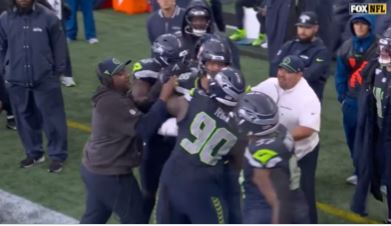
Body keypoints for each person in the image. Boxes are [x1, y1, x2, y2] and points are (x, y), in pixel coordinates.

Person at [153, 67, 245, 223]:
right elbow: (238, 163)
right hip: (203, 186)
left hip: (172, 177)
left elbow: (167, 104)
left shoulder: (194, 101)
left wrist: (166, 87)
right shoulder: (239, 127)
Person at [0, 0, 68, 172]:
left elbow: (60, 47)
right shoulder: (5, 18)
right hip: (16, 79)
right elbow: (1, 47)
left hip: (45, 78)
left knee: (53, 119)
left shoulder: (49, 18)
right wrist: (4, 70)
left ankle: (57, 155)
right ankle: (34, 153)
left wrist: (57, 72)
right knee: (24, 118)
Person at [252, 55, 321, 223]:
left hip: (302, 152)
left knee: (304, 192)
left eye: (288, 72)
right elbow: (250, 97)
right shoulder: (270, 84)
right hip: (278, 148)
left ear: (299, 75)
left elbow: (308, 129)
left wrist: (280, 138)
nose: (282, 74)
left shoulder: (308, 97)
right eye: (281, 69)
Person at [233, 91, 310, 223]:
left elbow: (276, 198)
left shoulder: (262, 151)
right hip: (296, 201)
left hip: (266, 210)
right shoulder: (281, 131)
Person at [351, 28, 391, 223]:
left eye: (388, 49)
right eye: (383, 47)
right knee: (366, 165)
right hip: (374, 127)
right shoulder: (374, 68)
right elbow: (360, 86)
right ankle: (358, 205)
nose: (384, 52)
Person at [335, 14, 377, 186]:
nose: (359, 27)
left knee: (374, 139)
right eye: (356, 23)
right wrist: (343, 98)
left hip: (373, 101)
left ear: (370, 26)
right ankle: (359, 171)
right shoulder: (346, 47)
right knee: (352, 137)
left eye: (363, 24)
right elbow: (340, 75)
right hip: (351, 101)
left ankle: (377, 176)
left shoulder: (381, 46)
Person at [269, 11, 331, 102]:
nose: (303, 31)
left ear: (316, 28)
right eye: (300, 26)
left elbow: (310, 75)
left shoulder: (321, 52)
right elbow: (273, 67)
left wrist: (284, 74)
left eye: (307, 27)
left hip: (307, 100)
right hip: (283, 96)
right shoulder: (289, 45)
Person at [178, 0, 240, 68]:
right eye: (195, 19)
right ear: (188, 20)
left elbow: (233, 70)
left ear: (208, 20)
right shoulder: (177, 41)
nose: (199, 23)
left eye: (202, 19)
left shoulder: (223, 41)